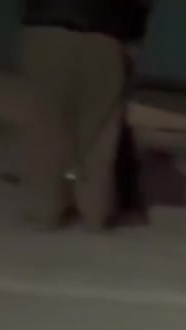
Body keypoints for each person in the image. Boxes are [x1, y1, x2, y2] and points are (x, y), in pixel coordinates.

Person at [21, 0, 152, 231]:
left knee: (48, 122)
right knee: (100, 130)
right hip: (106, 35)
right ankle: (96, 210)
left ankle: (46, 208)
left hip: (46, 27)